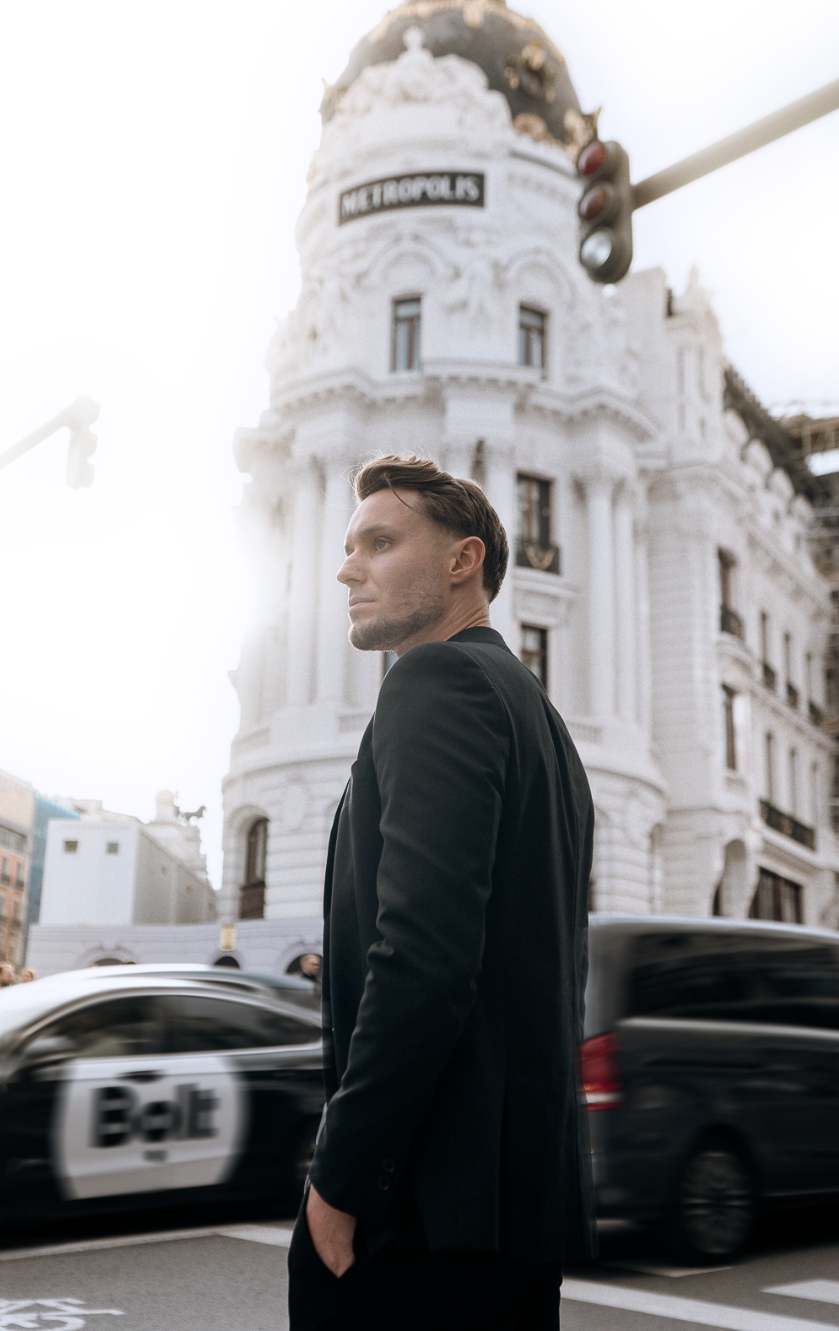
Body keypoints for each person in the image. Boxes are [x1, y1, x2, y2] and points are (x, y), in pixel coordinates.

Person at [287, 454, 596, 1331]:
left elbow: (423, 956)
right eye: (349, 548)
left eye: (379, 542)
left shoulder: (437, 680)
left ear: (464, 561)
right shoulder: (540, 719)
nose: (348, 568)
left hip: (419, 1214)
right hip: (509, 1211)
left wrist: (344, 1180)